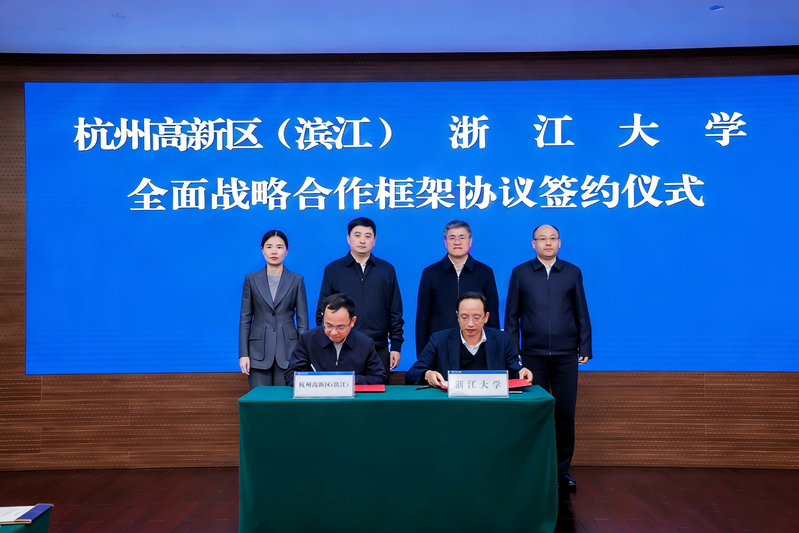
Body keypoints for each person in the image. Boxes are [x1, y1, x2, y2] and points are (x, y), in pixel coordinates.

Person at [505, 224, 592, 490]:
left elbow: (581, 311)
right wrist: (513, 352)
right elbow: (511, 316)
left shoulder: (572, 272)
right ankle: (534, 470)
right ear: (533, 244)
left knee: (565, 414)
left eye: (552, 238)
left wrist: (585, 346)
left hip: (566, 355)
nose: (548, 243)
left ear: (559, 243)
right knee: (534, 413)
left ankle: (561, 471)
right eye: (542, 239)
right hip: (532, 356)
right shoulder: (520, 272)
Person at [316, 217, 403, 384]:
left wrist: (396, 346)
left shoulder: (386, 270)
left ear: (374, 240)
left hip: (379, 347)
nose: (362, 240)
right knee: (342, 393)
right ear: (348, 238)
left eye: (368, 236)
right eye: (357, 235)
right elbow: (323, 311)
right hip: (343, 346)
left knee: (379, 395)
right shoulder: (333, 270)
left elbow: (395, 311)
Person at [405, 292, 533, 387]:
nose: (470, 324)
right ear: (457, 316)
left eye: (476, 318)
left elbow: (515, 371)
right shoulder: (439, 340)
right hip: (452, 404)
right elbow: (412, 374)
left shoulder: (501, 339)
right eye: (464, 317)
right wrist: (427, 374)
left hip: (491, 403)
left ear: (486, 317)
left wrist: (522, 371)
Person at [415, 220, 500, 356]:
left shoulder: (485, 272)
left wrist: (495, 351)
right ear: (445, 242)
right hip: (440, 348)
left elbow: (493, 316)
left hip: (477, 348)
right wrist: (423, 356)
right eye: (452, 238)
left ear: (470, 241)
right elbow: (422, 319)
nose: (457, 242)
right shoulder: (430, 273)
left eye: (462, 237)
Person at [239, 230, 309, 390]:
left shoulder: (297, 280)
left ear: (287, 250)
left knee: (284, 401)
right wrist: (243, 354)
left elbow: (303, 321)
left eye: (279, 247)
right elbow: (245, 319)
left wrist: (304, 355)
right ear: (262, 249)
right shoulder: (251, 279)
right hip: (257, 352)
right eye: (269, 247)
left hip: (289, 351)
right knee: (259, 400)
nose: (274, 251)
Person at [286, 294, 386, 385]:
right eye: (328, 326)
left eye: (340, 327)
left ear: (352, 321)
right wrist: (321, 381)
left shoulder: (365, 344)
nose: (334, 332)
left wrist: (347, 380)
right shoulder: (308, 340)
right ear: (323, 318)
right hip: (317, 397)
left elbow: (379, 378)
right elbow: (291, 377)